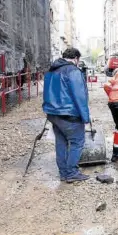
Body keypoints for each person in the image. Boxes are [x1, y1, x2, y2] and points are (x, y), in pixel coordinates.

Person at [42, 48, 90, 183]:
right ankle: (71, 173)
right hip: (69, 114)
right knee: (77, 142)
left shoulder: (51, 71)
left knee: (61, 142)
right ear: (76, 58)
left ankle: (63, 173)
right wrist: (85, 118)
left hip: (53, 114)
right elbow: (80, 96)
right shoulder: (73, 71)